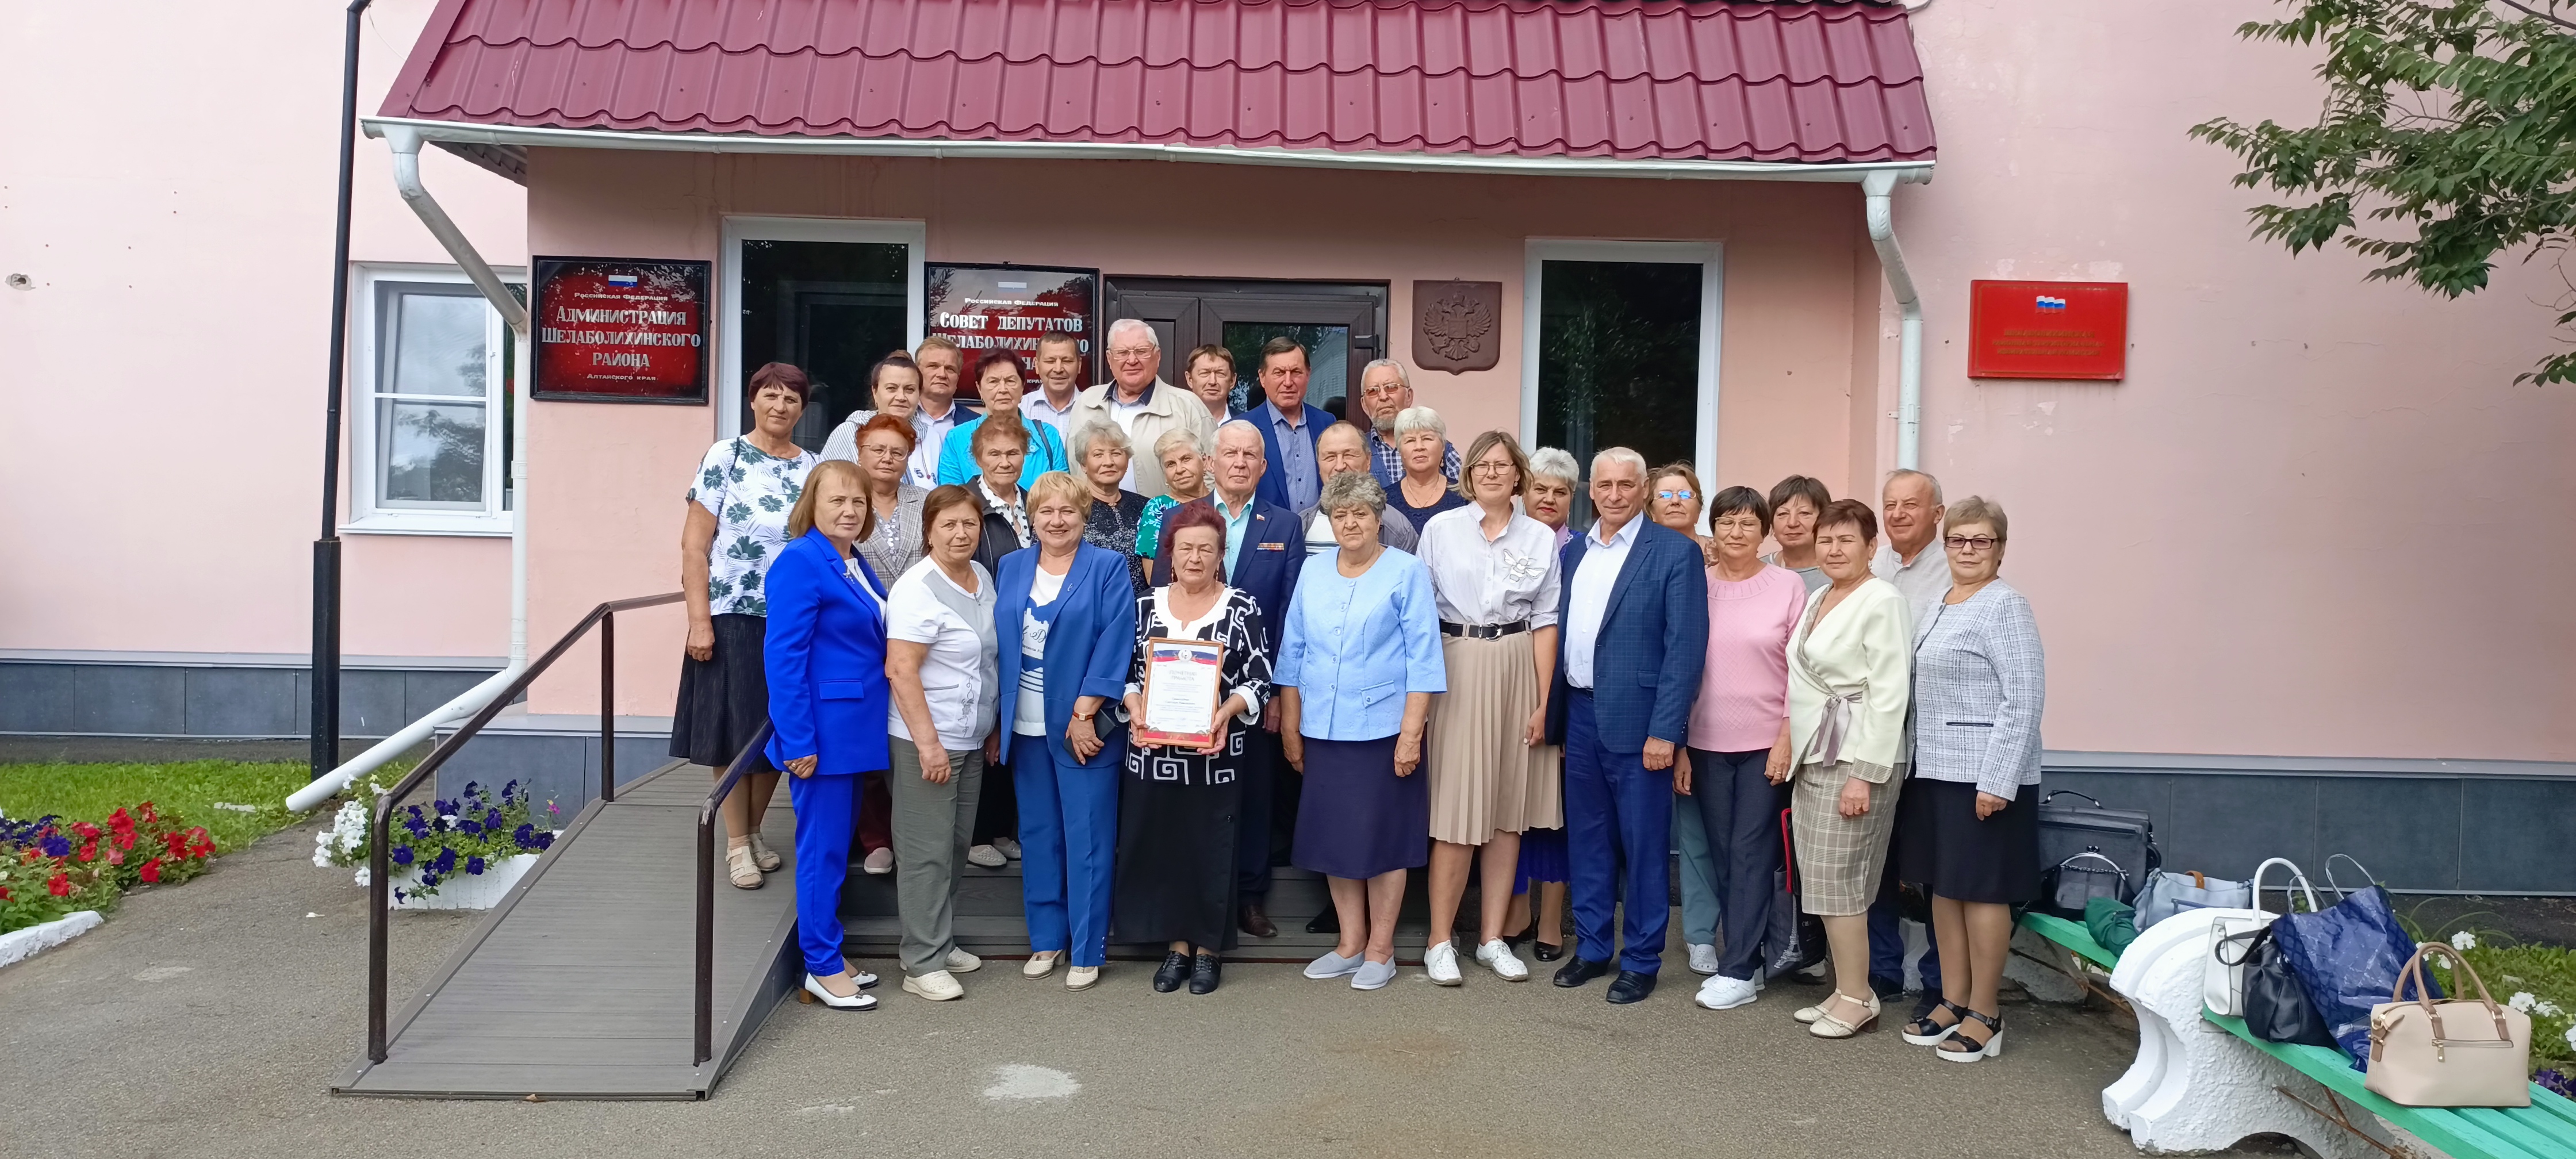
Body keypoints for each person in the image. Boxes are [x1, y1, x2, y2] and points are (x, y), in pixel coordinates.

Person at [1546, 447, 1708, 1004]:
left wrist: (1666, 731)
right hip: (1582, 716)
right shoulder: (1575, 554)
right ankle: (1592, 948)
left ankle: (1641, 958)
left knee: (1641, 847)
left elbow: (1684, 649)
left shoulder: (1671, 553)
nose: (1614, 494)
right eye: (1604, 484)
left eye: (1625, 484)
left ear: (1643, 490)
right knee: (1587, 840)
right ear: (1591, 490)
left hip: (1641, 725)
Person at [1276, 473, 1445, 991]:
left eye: (1361, 514)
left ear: (1379, 519)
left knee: (1383, 841)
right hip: (1323, 726)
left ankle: (1381, 949)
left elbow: (1424, 658)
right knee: (1335, 839)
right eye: (1341, 514)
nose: (1350, 523)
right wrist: (1290, 722)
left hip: (1383, 731)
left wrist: (1411, 733)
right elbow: (1294, 650)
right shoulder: (1312, 570)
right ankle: (1350, 943)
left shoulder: (1406, 571)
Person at [1895, 497, 2044, 1061]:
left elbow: (2023, 699)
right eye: (1958, 539)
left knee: (1982, 893)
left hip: (1984, 777)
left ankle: (1986, 1011)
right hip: (1933, 770)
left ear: (1999, 548)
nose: (1967, 550)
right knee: (1944, 888)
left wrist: (1997, 781)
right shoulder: (1940, 602)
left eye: (1981, 540)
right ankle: (1951, 999)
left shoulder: (2005, 606)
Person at [1147, 421, 1306, 938]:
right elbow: (1158, 603)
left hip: (1251, 691)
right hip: (1182, 690)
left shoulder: (1283, 525)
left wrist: (1279, 694)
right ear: (1210, 463)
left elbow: (1289, 614)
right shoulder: (1180, 518)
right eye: (1230, 453)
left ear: (1263, 466)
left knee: (1254, 794)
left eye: (1250, 455)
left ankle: (1250, 898)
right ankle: (1190, 899)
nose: (1240, 462)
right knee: (1195, 798)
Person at [1414, 432, 1563, 985]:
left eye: (1504, 465)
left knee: (1508, 810)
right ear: (1469, 473)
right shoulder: (1441, 530)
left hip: (1518, 662)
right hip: (1457, 661)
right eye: (1483, 465)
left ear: (1519, 474)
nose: (1494, 473)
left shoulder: (1540, 537)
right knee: (1456, 812)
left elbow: (1546, 620)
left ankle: (1493, 938)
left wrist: (1544, 700)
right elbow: (1421, 614)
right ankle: (1438, 941)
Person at [1115, 504, 1275, 996]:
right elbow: (1121, 673)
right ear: (1170, 553)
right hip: (1153, 754)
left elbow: (1261, 677)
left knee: (1210, 850)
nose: (1195, 557)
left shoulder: (1241, 607)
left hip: (1216, 754)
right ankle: (1176, 947)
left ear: (1220, 554)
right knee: (1165, 848)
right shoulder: (1145, 606)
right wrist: (1135, 704)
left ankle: (1208, 950)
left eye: (1207, 548)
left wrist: (1228, 711)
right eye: (1186, 548)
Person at [1773, 498, 1914, 1038]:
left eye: (1846, 540)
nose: (1834, 549)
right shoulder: (1819, 598)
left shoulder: (1883, 600)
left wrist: (1865, 772)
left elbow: (1889, 691)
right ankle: (1846, 988)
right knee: (1821, 879)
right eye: (1827, 539)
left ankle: (1858, 997)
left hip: (1857, 757)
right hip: (1818, 752)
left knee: (1843, 880)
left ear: (1871, 547)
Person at [674, 362, 816, 890]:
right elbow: (695, 544)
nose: (780, 407)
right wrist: (699, 621)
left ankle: (755, 830)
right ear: (753, 399)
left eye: (791, 399)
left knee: (774, 728)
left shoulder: (812, 466)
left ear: (803, 408)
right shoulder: (725, 456)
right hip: (732, 613)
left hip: (794, 620)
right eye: (771, 396)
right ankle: (735, 844)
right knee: (732, 732)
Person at [994, 471, 1137, 993]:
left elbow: (1116, 639)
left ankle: (1087, 947)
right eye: (1046, 512)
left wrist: (1083, 713)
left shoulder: (1107, 567)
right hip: (1025, 725)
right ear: (1032, 518)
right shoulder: (1011, 567)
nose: (1057, 521)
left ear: (1085, 516)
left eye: (1068, 512)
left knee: (1088, 839)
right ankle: (1047, 939)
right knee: (1038, 837)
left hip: (1083, 727)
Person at [762, 459, 891, 1010]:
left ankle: (831, 953)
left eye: (858, 502)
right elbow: (783, 657)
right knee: (821, 851)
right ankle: (819, 964)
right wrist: (798, 742)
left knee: (835, 850)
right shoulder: (801, 560)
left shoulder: (849, 560)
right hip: (823, 736)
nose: (849, 510)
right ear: (812, 504)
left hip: (853, 729)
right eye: (837, 500)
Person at [1680, 486, 1810, 1012]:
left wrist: (1786, 735)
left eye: (1748, 524)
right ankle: (1749, 961)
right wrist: (1682, 745)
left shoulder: (1788, 586)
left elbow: (1802, 673)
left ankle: (1736, 968)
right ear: (1714, 530)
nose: (1737, 533)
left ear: (1765, 532)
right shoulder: (1696, 586)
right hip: (1706, 742)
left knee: (1753, 850)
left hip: (1765, 745)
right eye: (1726, 523)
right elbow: (1682, 667)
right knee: (1723, 853)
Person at [883, 485, 1000, 1001]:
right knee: (925, 851)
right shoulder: (917, 588)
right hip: (925, 739)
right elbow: (901, 669)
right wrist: (928, 745)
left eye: (969, 524)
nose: (960, 533)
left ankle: (940, 936)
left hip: (971, 736)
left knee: (954, 846)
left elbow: (990, 661)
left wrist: (991, 725)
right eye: (948, 524)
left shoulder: (984, 580)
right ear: (928, 530)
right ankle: (921, 960)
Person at [1870, 467, 1947, 1008]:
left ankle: (1942, 980)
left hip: (1933, 744)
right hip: (1877, 740)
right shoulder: (1876, 565)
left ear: (1937, 515)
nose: (1897, 514)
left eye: (1911, 505)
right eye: (1890, 504)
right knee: (1878, 860)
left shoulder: (1955, 571)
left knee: (1937, 869)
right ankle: (1881, 970)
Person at [1502, 446, 1581, 962]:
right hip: (1509, 682)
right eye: (1541, 489)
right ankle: (1514, 910)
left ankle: (1551, 917)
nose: (1548, 499)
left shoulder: (1583, 551)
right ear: (1523, 491)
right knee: (1509, 801)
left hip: (1566, 688)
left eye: (1560, 492)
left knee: (1556, 808)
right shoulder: (1507, 541)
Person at [1649, 461, 1724, 973]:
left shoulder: (1725, 566)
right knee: (1648, 834)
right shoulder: (1633, 556)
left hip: (1715, 719)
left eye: (1687, 492)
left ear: (1700, 503)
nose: (1676, 500)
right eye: (1666, 493)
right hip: (1644, 715)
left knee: (1707, 836)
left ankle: (1708, 933)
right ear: (1650, 504)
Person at [847, 412, 928, 877]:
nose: (887, 458)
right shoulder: (846, 501)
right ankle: (876, 838)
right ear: (860, 453)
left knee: (914, 737)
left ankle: (910, 833)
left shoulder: (925, 501)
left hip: (919, 640)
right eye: (877, 449)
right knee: (872, 738)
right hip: (865, 638)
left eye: (897, 451)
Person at [964, 419, 1033, 868]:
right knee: (987, 726)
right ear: (978, 458)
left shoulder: (1033, 501)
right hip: (987, 627)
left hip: (1031, 630)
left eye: (1013, 454)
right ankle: (976, 834)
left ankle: (1003, 827)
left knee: (1017, 727)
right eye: (995, 454)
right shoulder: (967, 504)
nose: (1005, 462)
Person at [1068, 319, 1219, 498]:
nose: (1132, 360)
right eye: (1122, 353)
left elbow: (1213, 475)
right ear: (1110, 359)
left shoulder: (1188, 406)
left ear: (1158, 356)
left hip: (1168, 522)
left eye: (1141, 352)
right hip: (1093, 520)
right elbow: (1073, 466)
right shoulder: (1087, 402)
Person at [938, 350, 1070, 486]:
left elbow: (1063, 492)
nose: (1003, 389)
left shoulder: (1048, 436)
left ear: (1022, 386)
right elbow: (951, 498)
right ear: (979, 389)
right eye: (993, 382)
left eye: (1010, 381)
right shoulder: (957, 439)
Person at [1299, 422, 1417, 556]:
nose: (1340, 466)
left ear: (1368, 461)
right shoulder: (1301, 525)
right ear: (1319, 465)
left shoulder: (1398, 529)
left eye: (1349, 455)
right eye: (1330, 457)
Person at [1248, 337, 1331, 516]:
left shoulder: (1327, 423)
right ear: (1262, 378)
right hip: (1267, 536)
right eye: (1278, 373)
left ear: (1308, 374)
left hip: (1321, 538)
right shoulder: (1244, 428)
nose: (1288, 382)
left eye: (1296, 372)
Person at [1071, 421, 1151, 594]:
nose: (1108, 462)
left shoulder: (1146, 507)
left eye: (1116, 453)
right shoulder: (1070, 507)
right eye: (1098, 455)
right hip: (1089, 606)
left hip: (1141, 609)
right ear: (1084, 465)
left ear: (1127, 460)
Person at [1356, 359, 1458, 486]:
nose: (1383, 397)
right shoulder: (1356, 452)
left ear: (1409, 396)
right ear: (1364, 405)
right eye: (1373, 391)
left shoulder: (1441, 449)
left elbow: (1465, 496)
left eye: (1391, 388)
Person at [819, 351, 925, 463]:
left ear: (919, 394)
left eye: (909, 389)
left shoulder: (932, 438)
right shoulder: (849, 433)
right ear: (875, 392)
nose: (901, 397)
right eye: (891, 388)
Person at [1384, 406, 1470, 534]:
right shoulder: (1384, 500)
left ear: (1443, 447)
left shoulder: (1464, 496)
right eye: (1410, 440)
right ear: (1400, 451)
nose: (1419, 447)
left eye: (1427, 439)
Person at [1134, 428, 1212, 564]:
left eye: (1186, 459)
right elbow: (1153, 575)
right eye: (1171, 464)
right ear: (1164, 474)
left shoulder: (1222, 501)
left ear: (1204, 461)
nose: (1180, 470)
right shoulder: (1157, 509)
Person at [908, 337, 969, 488]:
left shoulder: (975, 425)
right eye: (933, 366)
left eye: (950, 369)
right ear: (917, 372)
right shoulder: (900, 418)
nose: (942, 374)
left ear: (958, 377)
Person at [1763, 475, 1833, 593]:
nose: (1792, 523)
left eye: (1804, 513)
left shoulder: (1838, 571)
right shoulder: (1760, 570)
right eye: (1783, 514)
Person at [1651, 462, 1719, 566]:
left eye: (1685, 495)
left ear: (1699, 510)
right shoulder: (1638, 553)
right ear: (1652, 511)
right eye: (1665, 495)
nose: (1675, 501)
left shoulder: (1718, 552)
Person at [1022, 330, 1086, 438]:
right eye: (1050, 361)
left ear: (1079, 365)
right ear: (1037, 366)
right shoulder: (1022, 409)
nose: (1058, 369)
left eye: (1067, 361)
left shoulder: (1093, 409)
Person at [1183, 343, 1237, 424]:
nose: (1213, 382)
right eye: (1205, 373)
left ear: (1232, 381)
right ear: (1190, 379)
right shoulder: (1174, 423)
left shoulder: (1248, 423)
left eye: (1220, 374)